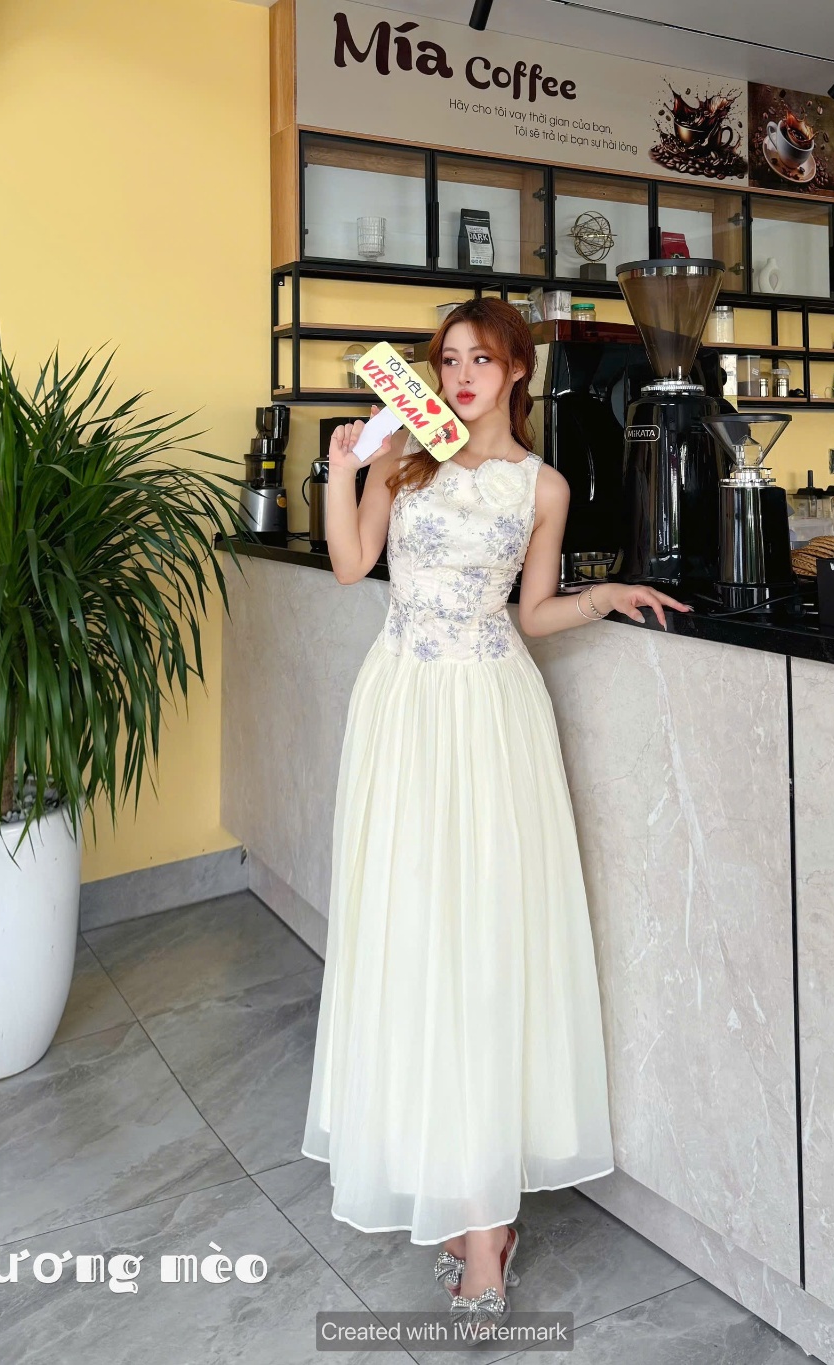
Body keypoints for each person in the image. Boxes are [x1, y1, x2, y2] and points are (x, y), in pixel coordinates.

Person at [300, 298, 690, 1337]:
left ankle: (484, 1231)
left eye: (481, 358)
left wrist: (606, 598)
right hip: (400, 705)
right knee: (412, 937)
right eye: (448, 359)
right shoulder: (405, 462)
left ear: (518, 369)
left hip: (491, 711)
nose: (462, 374)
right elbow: (351, 565)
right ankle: (452, 1179)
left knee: (481, 944)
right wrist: (343, 466)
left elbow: (534, 611)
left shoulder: (542, 485)